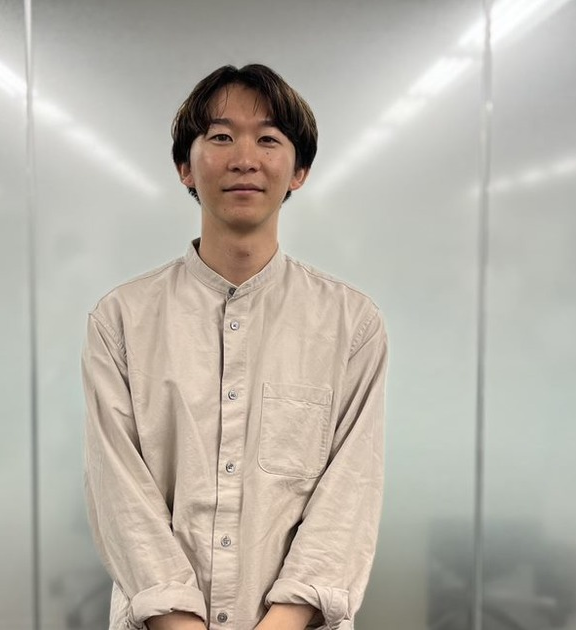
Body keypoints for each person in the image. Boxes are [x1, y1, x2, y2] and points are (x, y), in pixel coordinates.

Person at [82, 63, 388, 630]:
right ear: (185, 167)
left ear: (299, 171)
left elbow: (350, 496)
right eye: (221, 137)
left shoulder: (352, 324)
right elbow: (120, 496)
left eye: (268, 139)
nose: (245, 158)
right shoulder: (121, 320)